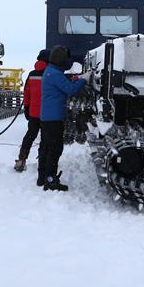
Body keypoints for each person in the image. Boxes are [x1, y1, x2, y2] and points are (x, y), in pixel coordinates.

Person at [38, 45, 85, 191]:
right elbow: (70, 89)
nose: (69, 62)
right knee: (55, 148)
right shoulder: (55, 74)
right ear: (61, 61)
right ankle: (50, 180)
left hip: (47, 117)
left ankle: (43, 177)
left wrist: (74, 79)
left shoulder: (51, 72)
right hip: (53, 118)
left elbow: (64, 85)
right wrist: (83, 80)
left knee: (46, 147)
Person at [14, 49, 49, 173]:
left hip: (33, 113)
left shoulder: (32, 74)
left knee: (29, 136)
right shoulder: (50, 73)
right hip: (47, 114)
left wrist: (27, 108)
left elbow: (26, 93)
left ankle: (21, 160)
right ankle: (43, 161)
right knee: (45, 139)